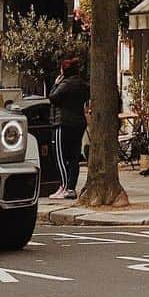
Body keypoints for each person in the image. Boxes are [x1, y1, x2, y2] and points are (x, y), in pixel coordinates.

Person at [48, 57, 90, 200]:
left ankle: (64, 186)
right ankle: (70, 187)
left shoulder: (64, 84)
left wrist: (55, 84)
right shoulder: (83, 84)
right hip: (78, 123)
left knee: (59, 156)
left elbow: (53, 97)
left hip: (62, 123)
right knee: (73, 157)